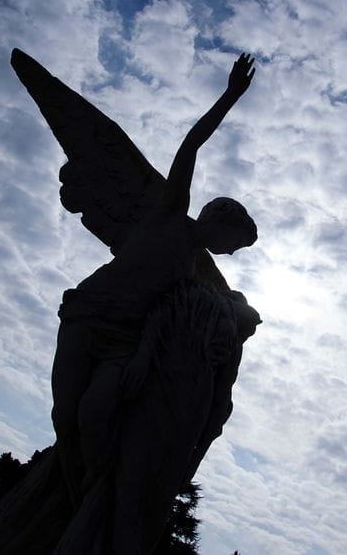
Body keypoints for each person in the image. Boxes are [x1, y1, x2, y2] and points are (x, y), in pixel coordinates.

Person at [50, 53, 258, 508]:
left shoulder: (199, 276)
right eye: (234, 243)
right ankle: (74, 500)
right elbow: (192, 144)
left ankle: (94, 500)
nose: (229, 253)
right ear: (220, 218)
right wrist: (230, 96)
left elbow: (177, 319)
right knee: (66, 415)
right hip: (88, 313)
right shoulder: (168, 212)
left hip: (126, 341)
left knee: (94, 413)